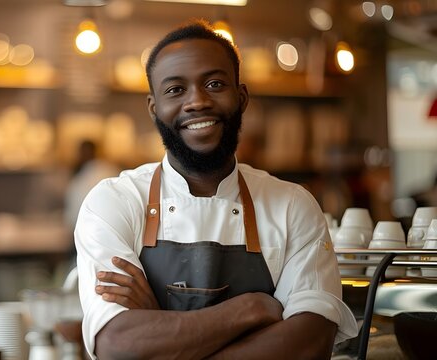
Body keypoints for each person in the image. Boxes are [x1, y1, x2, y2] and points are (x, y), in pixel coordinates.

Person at [74, 20, 358, 359]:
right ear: (154, 109)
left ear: (241, 98)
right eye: (175, 90)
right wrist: (250, 310)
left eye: (214, 83)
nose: (197, 102)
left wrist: (160, 326)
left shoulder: (292, 205)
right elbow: (118, 345)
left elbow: (309, 343)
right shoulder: (114, 203)